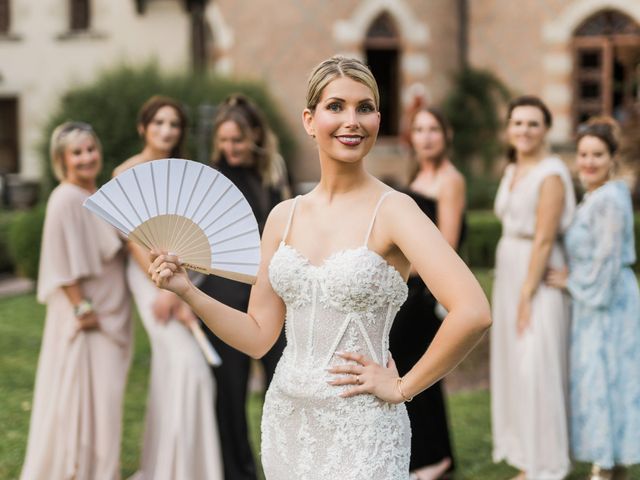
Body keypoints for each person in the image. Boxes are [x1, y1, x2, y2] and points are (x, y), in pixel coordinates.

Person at [149, 56, 491, 480]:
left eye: (364, 107)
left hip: (362, 427)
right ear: (310, 120)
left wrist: (402, 387)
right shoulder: (283, 217)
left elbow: (473, 311)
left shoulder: (395, 210)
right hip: (288, 420)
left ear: (379, 119)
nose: (352, 120)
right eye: (336, 107)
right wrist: (187, 290)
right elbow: (258, 337)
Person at [114, 96, 223, 480]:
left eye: (174, 124)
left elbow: (194, 237)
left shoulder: (185, 172)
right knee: (190, 367)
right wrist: (164, 290)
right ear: (143, 127)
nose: (166, 130)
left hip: (186, 276)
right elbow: (133, 240)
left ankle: (180, 468)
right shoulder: (125, 173)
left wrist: (185, 289)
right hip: (148, 278)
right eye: (159, 122)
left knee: (174, 370)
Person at [21, 122, 132, 479]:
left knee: (107, 405)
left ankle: (101, 471)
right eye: (77, 152)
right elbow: (60, 262)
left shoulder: (99, 194)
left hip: (114, 312)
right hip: (89, 317)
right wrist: (81, 308)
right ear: (62, 159)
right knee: (83, 402)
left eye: (90, 149)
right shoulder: (64, 199)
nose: (86, 157)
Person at [199, 93, 291, 480]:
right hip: (225, 300)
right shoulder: (209, 180)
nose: (229, 148)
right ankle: (239, 473)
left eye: (236, 140)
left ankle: (285, 466)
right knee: (230, 398)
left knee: (281, 388)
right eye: (223, 140)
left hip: (271, 298)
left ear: (253, 136)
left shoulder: (271, 176)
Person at [546, 118, 640, 480]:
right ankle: (608, 462)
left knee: (607, 378)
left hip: (610, 303)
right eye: (583, 154)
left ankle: (606, 464)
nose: (588, 162)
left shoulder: (612, 199)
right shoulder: (595, 197)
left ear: (612, 158)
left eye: (597, 155)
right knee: (597, 378)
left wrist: (572, 281)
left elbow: (607, 258)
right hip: (594, 305)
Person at [490, 95, 576, 480]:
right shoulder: (511, 171)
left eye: (533, 123)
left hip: (536, 275)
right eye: (518, 123)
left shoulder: (552, 173)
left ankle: (546, 462)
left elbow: (543, 238)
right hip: (509, 270)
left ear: (546, 130)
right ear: (509, 129)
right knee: (515, 365)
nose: (524, 130)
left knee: (537, 365)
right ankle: (525, 455)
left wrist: (526, 295)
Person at [389, 104, 466, 480]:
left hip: (425, 293)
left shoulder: (451, 181)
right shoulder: (414, 178)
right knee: (407, 368)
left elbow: (446, 247)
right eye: (419, 130)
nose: (426, 137)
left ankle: (437, 458)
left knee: (422, 372)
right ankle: (421, 456)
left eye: (433, 129)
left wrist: (397, 269)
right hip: (406, 289)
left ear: (446, 135)